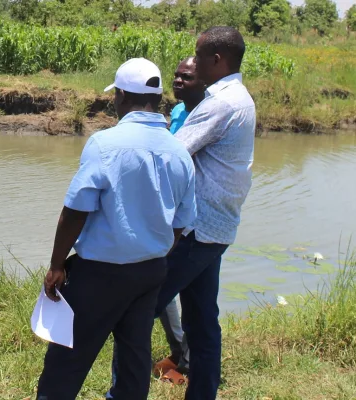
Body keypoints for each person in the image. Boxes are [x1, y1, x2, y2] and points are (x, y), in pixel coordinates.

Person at [35, 58, 197, 400]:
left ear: (120, 95)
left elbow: (75, 210)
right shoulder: (179, 151)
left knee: (68, 357)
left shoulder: (105, 144)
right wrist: (155, 255)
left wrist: (56, 264)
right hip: (150, 272)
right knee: (134, 356)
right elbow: (182, 222)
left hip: (100, 274)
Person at [113, 26, 256, 400]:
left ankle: (124, 394)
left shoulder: (221, 103)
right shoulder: (239, 97)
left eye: (199, 55)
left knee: (139, 312)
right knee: (202, 321)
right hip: (217, 227)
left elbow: (174, 153)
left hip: (197, 228)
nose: (192, 64)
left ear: (216, 60)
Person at [153, 56, 206, 384]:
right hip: (169, 210)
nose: (178, 81)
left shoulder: (204, 117)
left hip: (188, 215)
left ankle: (184, 358)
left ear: (203, 83)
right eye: (176, 76)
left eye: (186, 77)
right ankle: (183, 354)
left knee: (164, 286)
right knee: (173, 288)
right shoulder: (177, 112)